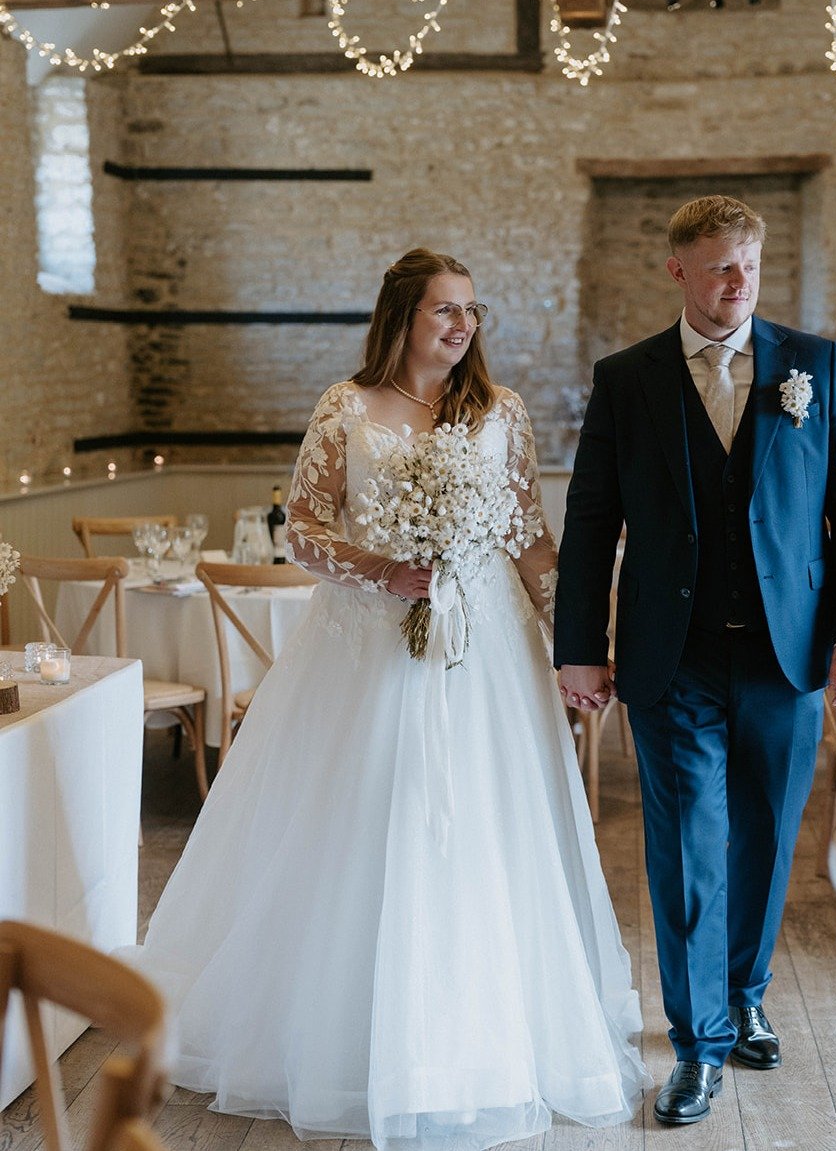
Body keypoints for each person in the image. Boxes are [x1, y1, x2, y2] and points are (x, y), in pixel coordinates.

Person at [128, 248, 649, 1150]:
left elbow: (529, 535)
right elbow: (304, 526)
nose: (462, 325)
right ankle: (340, 1031)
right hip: (367, 648)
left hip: (486, 654)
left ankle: (477, 1034)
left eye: (472, 311)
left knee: (485, 827)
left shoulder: (501, 413)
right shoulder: (347, 407)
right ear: (401, 315)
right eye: (444, 309)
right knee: (360, 819)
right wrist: (385, 570)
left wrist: (576, 646)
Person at [554, 195, 836, 1126]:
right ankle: (696, 1043)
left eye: (748, 265)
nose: (738, 283)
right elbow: (590, 519)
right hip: (672, 656)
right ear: (678, 273)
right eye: (718, 268)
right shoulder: (627, 379)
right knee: (688, 846)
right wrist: (579, 647)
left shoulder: (811, 365)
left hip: (786, 655)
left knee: (768, 840)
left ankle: (745, 994)